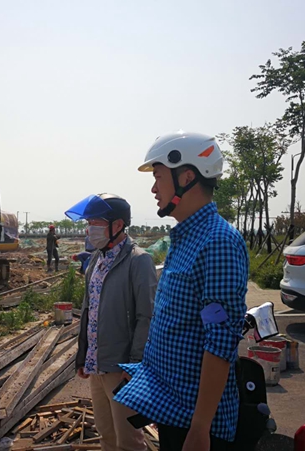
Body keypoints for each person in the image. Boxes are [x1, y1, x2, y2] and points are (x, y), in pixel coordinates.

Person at [115, 131, 249, 451]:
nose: (154, 188)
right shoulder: (186, 238)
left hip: (194, 424)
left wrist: (200, 428)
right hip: (173, 410)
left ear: (187, 177)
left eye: (159, 177)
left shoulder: (217, 242)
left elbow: (220, 341)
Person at [64, 193, 157, 451]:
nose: (89, 229)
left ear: (117, 225)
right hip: (97, 364)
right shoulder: (96, 259)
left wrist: (135, 365)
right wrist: (83, 355)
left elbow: (146, 316)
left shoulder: (139, 261)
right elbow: (89, 310)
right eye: (89, 223)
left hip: (122, 368)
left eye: (96, 222)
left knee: (128, 440)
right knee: (106, 435)